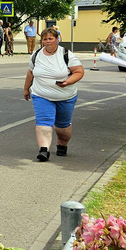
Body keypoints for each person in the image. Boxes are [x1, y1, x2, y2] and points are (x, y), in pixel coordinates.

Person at [23, 27, 84, 161]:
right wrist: (26, 89)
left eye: (51, 38)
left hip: (65, 96)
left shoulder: (66, 54)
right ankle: (44, 150)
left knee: (63, 125)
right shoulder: (36, 55)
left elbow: (79, 72)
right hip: (41, 94)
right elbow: (30, 73)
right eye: (45, 39)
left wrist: (67, 82)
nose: (48, 41)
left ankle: (62, 144)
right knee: (44, 121)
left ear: (57, 39)